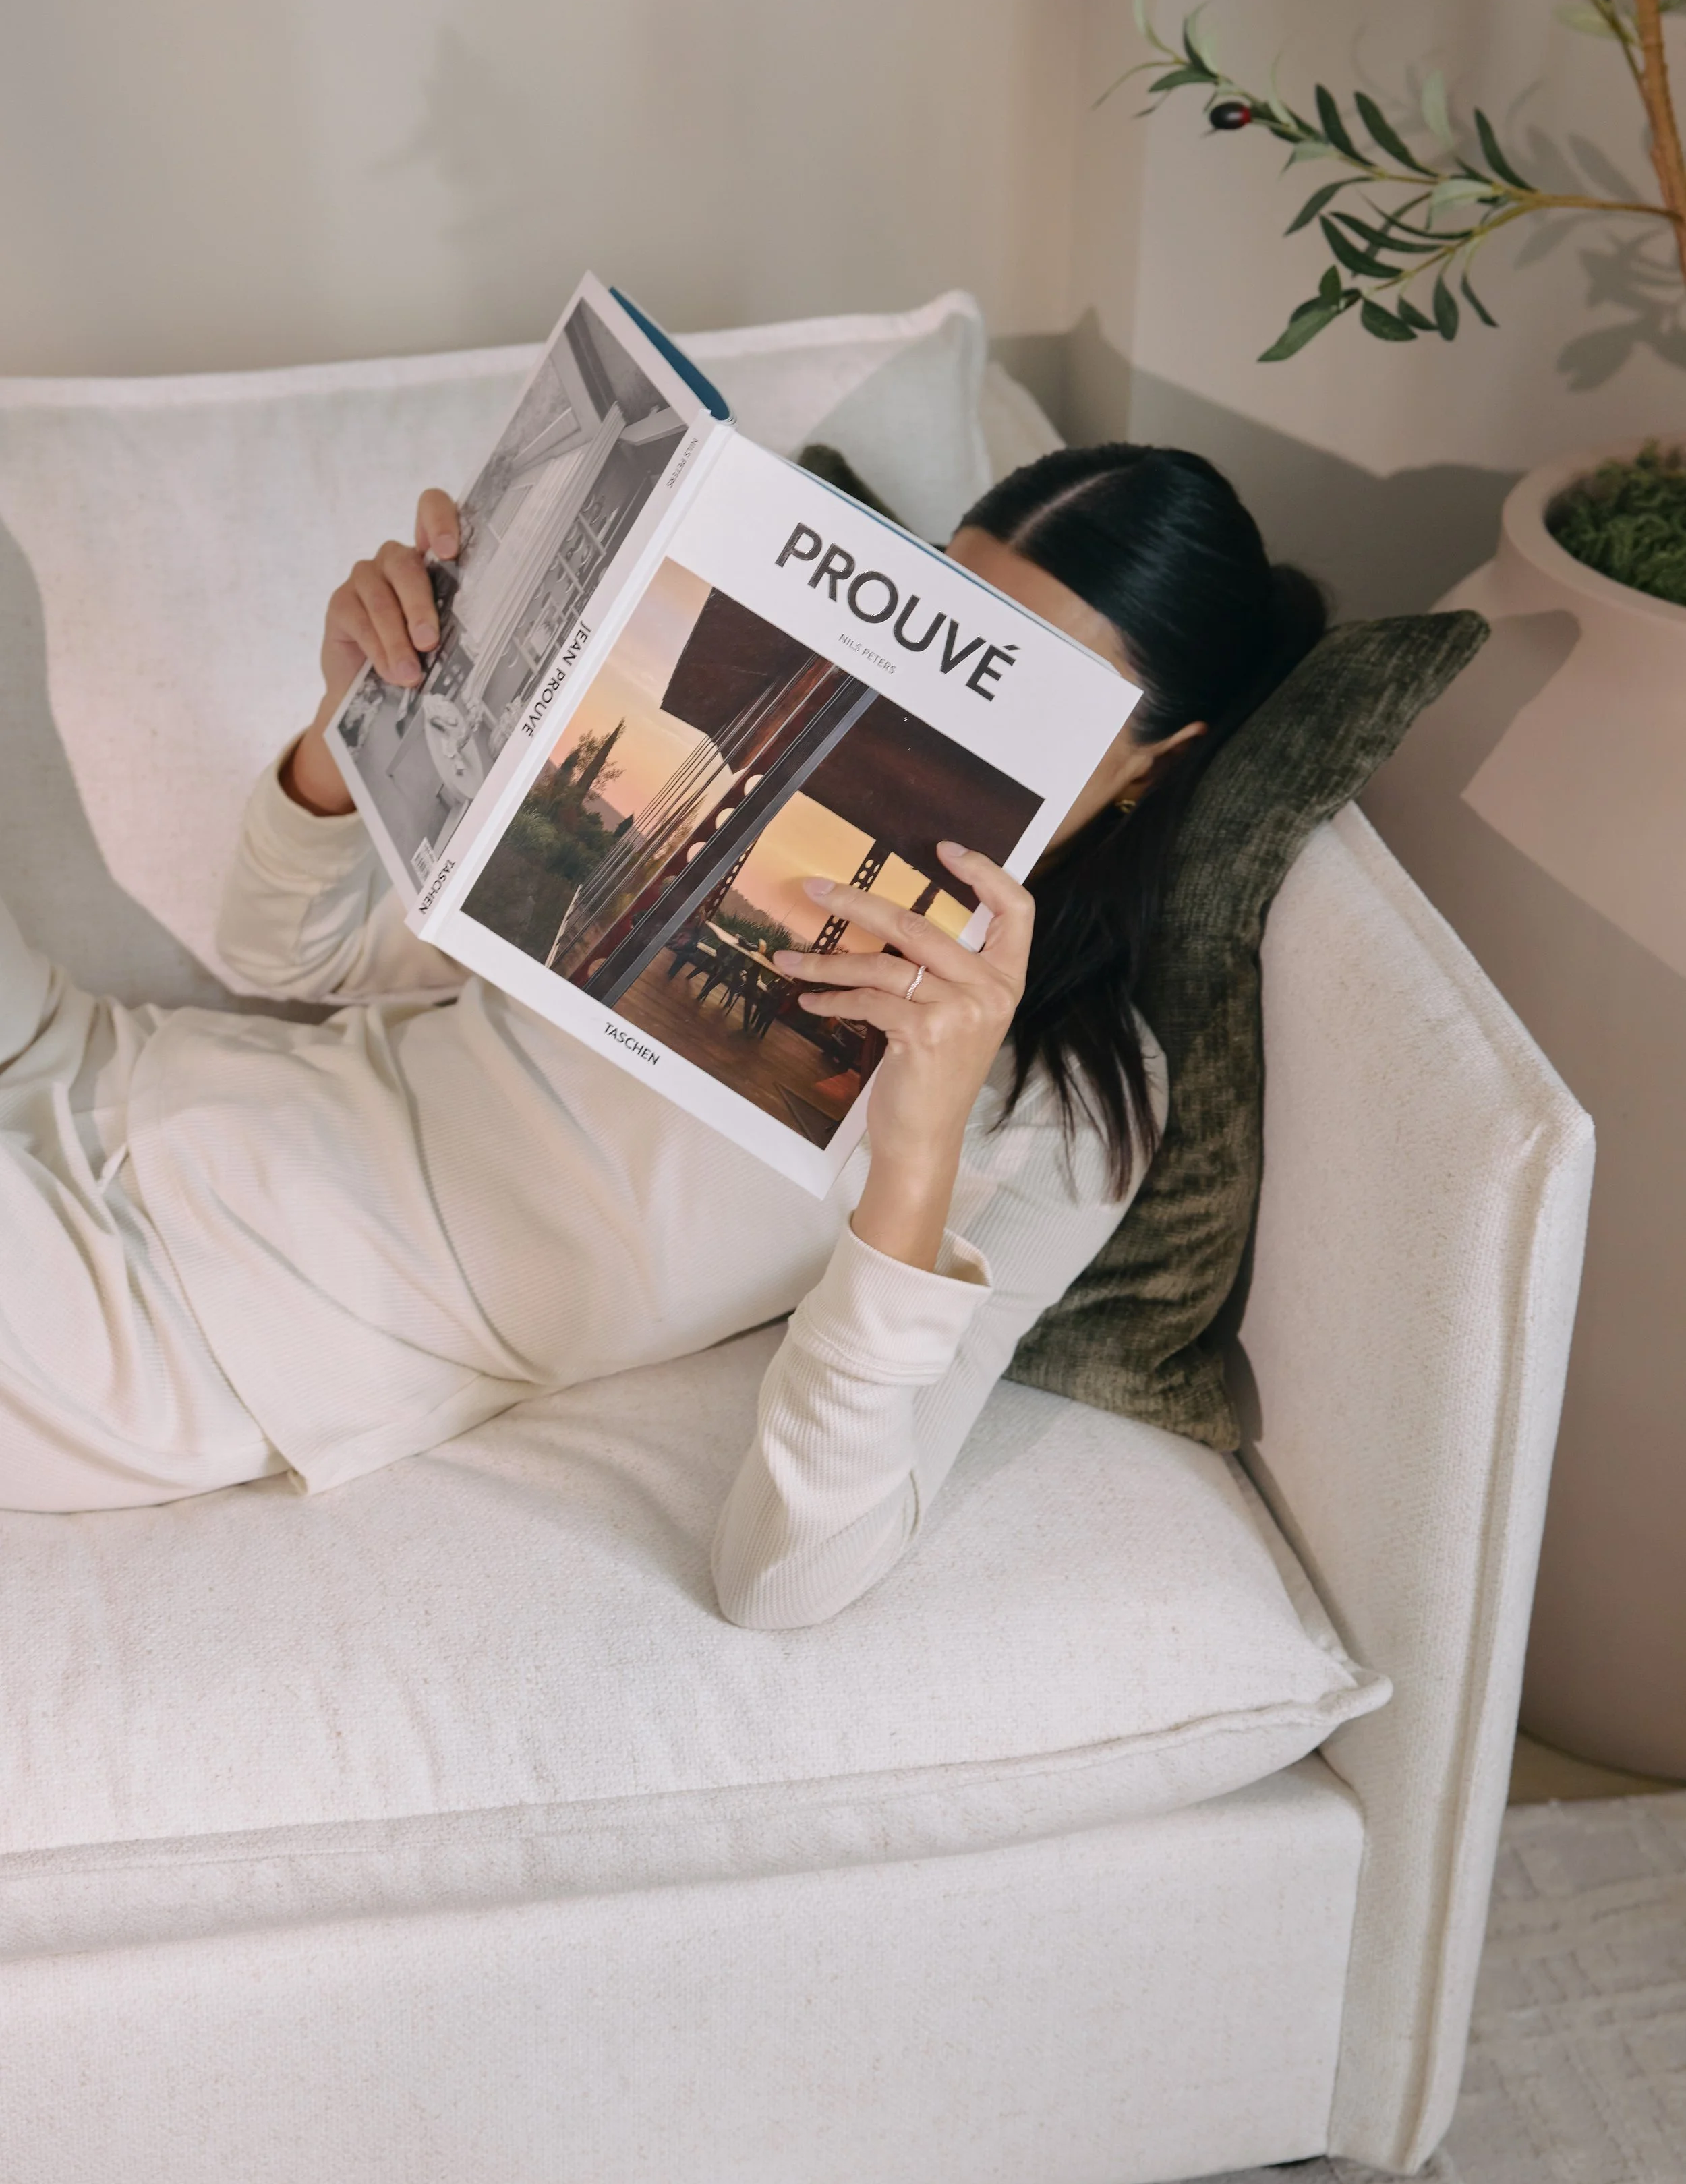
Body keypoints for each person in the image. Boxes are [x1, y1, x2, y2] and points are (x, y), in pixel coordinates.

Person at [0, 444, 1324, 1626]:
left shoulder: (1059, 1109)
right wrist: (357, 717)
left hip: (179, 1320)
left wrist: (912, 1158)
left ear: (1151, 757)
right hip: (102, 1064)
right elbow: (288, 952)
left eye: (1033, 692)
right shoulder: (741, 829)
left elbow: (789, 1574)